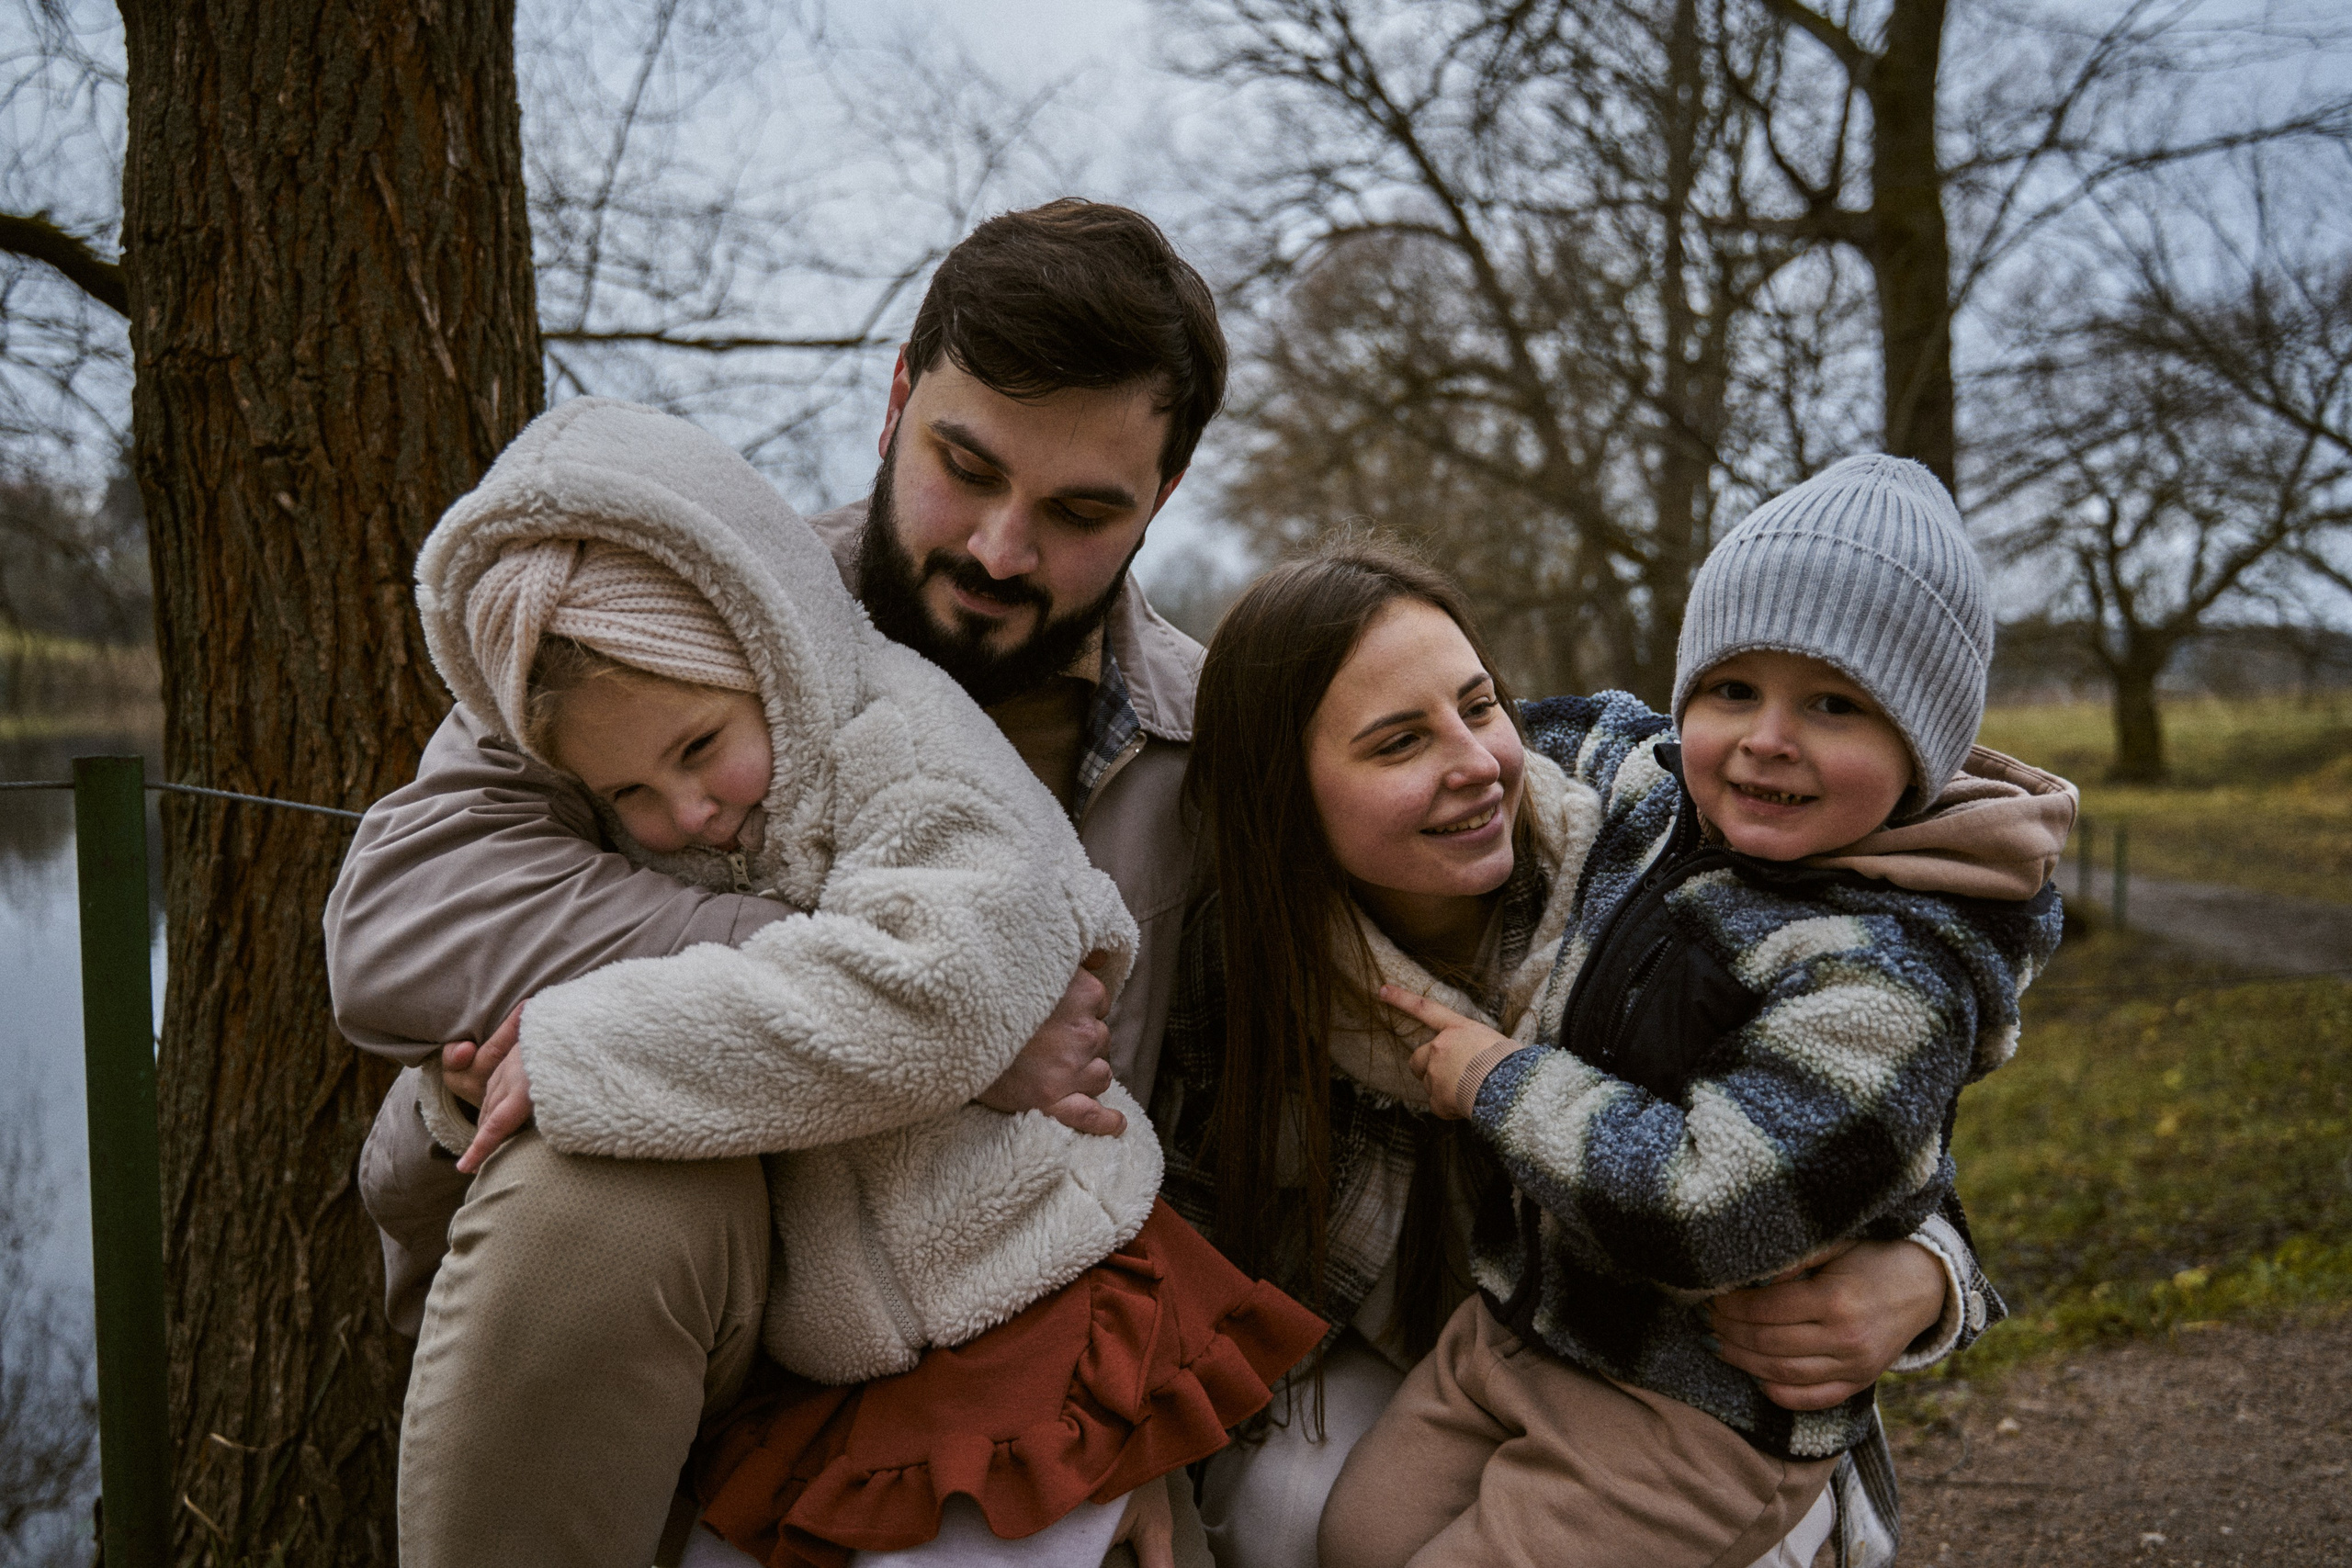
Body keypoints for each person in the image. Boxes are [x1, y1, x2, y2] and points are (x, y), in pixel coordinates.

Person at [325, 199, 1985, 1567]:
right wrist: (930, 989)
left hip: (1025, 1307)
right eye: (966, 467)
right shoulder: (677, 638)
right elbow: (393, 924)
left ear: (1163, 495)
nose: (997, 547)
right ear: (897, 396)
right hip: (716, 1275)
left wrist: (1929, 1266)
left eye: (1078, 509)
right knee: (601, 1189)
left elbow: (1648, 972)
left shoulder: (1238, 749)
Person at [396, 397, 1321, 1568]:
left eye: (696, 750)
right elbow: (398, 933)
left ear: (766, 653)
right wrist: (478, 1076)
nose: (682, 814)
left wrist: (584, 1050)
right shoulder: (654, 748)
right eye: (627, 796)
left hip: (1029, 1289)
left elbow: (926, 1000)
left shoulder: (911, 745)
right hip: (843, 1335)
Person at [1152, 531, 2020, 1568]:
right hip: (1464, 1342)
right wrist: (1139, 1465)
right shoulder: (1246, 966)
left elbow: (1850, 1111)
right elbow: (1178, 1248)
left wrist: (1931, 1275)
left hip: (1677, 1377)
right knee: (1305, 1519)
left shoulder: (1641, 845)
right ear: (1283, 796)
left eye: (1479, 707)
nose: (1478, 766)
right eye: (1397, 744)